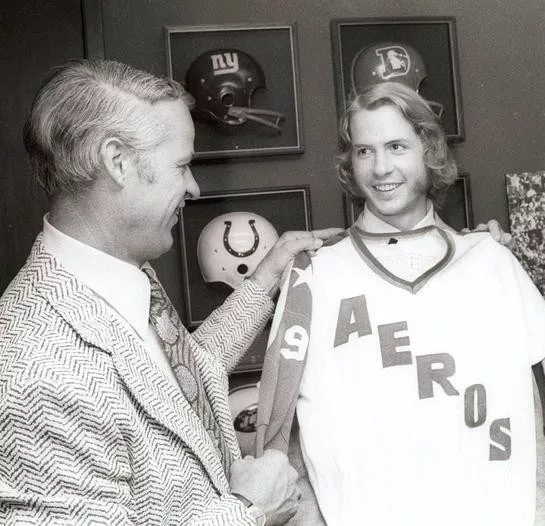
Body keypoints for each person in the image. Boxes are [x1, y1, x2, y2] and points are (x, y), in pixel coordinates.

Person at [0, 59, 341, 525]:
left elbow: (175, 387)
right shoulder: (32, 367)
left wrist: (264, 281)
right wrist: (249, 511)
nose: (194, 187)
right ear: (117, 161)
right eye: (181, 166)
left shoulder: (123, 273)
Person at [255, 81, 545, 526]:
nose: (380, 168)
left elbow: (534, 417)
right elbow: (288, 439)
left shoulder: (490, 262)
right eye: (364, 151)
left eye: (396, 146)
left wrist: (542, 515)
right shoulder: (315, 275)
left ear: (429, 150)